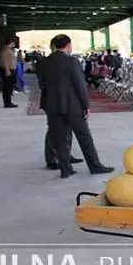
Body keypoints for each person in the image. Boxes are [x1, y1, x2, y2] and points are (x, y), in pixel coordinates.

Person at [39, 34, 114, 179]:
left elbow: (42, 85)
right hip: (72, 105)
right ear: (68, 45)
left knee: (59, 139)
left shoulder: (43, 62)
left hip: (53, 106)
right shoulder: (71, 61)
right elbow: (80, 85)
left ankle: (65, 170)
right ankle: (95, 166)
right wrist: (86, 105)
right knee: (84, 137)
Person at [37, 38, 82, 170]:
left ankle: (65, 155)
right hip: (54, 100)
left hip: (61, 100)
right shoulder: (46, 62)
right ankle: (52, 159)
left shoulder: (65, 61)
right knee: (54, 131)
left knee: (67, 129)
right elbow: (42, 83)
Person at [0, 37, 17, 108]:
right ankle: (7, 102)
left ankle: (9, 101)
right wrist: (7, 70)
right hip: (8, 69)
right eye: (13, 43)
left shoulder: (8, 50)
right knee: (7, 87)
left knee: (9, 87)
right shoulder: (6, 51)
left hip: (10, 69)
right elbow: (5, 61)